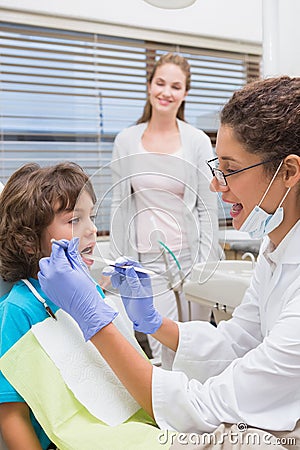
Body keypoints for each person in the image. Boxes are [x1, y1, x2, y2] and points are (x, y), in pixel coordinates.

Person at [38, 75, 300, 449]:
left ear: (288, 171)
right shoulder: (277, 250)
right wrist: (156, 323)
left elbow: (203, 408)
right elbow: (237, 341)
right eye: (217, 167)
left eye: (230, 169)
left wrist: (94, 319)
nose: (216, 185)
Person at [108, 52, 222, 358]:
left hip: (191, 257)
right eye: (160, 83)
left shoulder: (197, 140)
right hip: (147, 261)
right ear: (149, 86)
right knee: (164, 347)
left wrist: (205, 264)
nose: (166, 92)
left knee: (195, 346)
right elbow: (120, 205)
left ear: (185, 93)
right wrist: (122, 264)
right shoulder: (126, 140)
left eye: (175, 86)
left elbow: (207, 208)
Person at [0, 162, 102, 450]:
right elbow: (11, 415)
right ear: (29, 241)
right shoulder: (18, 311)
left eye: (91, 217)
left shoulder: (91, 291)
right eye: (74, 220)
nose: (92, 229)